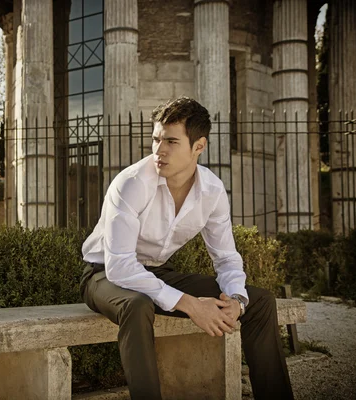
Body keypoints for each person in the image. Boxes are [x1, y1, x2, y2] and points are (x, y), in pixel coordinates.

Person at [80, 97, 294, 400]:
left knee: (259, 302)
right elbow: (121, 267)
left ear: (199, 146)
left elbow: (226, 257)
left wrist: (236, 300)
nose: (159, 150)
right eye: (155, 139)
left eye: (171, 141)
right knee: (137, 305)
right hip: (103, 276)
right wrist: (192, 305)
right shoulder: (131, 184)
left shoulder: (212, 191)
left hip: (157, 273)